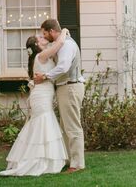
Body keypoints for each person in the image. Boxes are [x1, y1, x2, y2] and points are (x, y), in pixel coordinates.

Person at [0, 27, 70, 176]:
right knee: (43, 124)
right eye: (41, 38)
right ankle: (38, 161)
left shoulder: (40, 57)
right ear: (37, 45)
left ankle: (44, 159)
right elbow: (60, 42)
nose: (45, 39)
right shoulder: (41, 56)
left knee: (41, 124)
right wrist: (63, 30)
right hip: (42, 96)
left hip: (42, 94)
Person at [34, 18, 85, 173]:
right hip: (65, 87)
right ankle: (69, 160)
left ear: (51, 31)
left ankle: (77, 164)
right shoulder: (60, 44)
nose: (44, 37)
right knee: (65, 126)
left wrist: (45, 76)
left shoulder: (67, 45)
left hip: (70, 86)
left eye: (44, 33)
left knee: (72, 127)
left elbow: (63, 67)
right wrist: (64, 31)